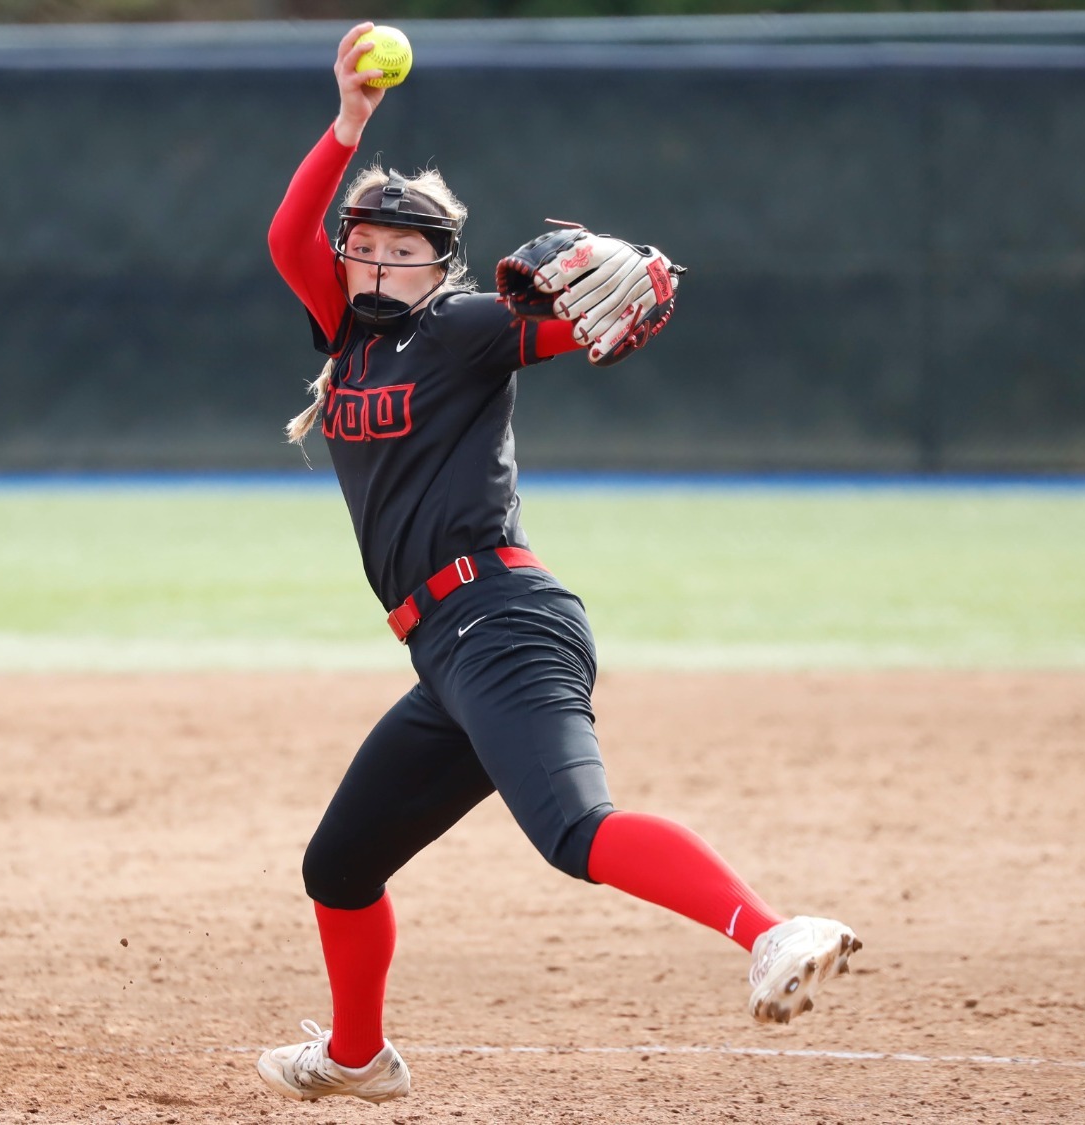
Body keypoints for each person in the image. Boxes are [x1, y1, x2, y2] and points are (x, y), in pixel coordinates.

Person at [255, 22, 861, 1105]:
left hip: (502, 619)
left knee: (573, 829)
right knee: (337, 868)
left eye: (407, 247)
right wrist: (348, 123)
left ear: (440, 265)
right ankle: (357, 1058)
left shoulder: (462, 330)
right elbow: (285, 232)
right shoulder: (342, 334)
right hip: (445, 654)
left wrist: (641, 275)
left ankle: (770, 932)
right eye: (368, 243)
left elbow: (586, 320)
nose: (380, 258)